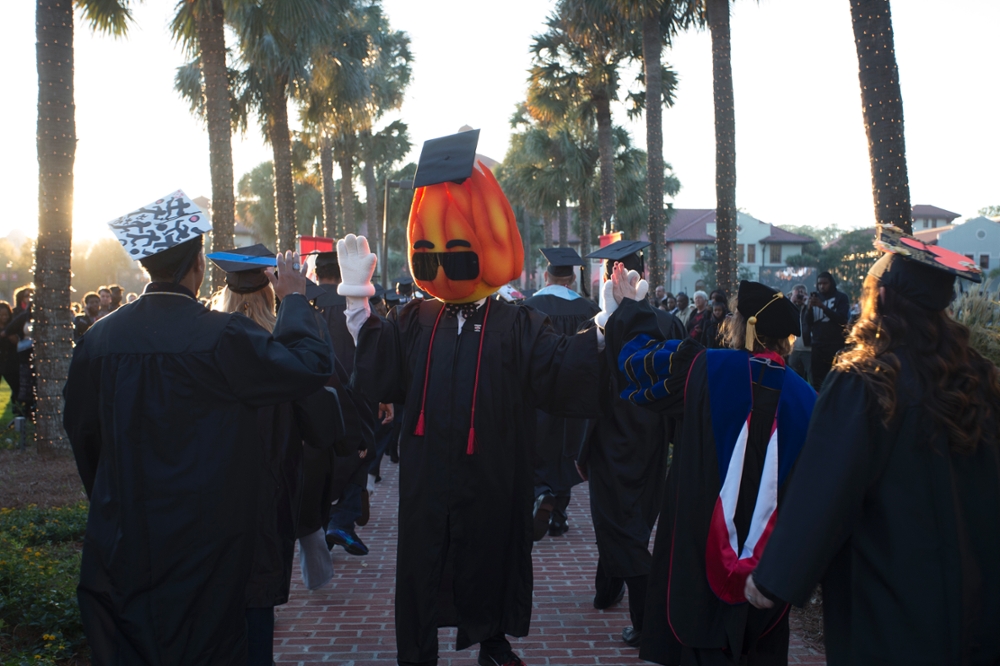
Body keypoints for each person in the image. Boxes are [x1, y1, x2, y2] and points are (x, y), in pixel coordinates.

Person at [337, 130, 602, 666]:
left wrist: (605, 329)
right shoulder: (415, 319)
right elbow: (379, 370)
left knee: (490, 554)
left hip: (494, 474)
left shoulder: (518, 322)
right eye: (430, 258)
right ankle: (419, 650)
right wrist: (357, 300)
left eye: (456, 259)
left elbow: (559, 368)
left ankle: (492, 640)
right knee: (422, 560)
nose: (441, 271)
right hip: (428, 474)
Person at [64, 191, 335, 665]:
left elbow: (85, 438)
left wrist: (115, 501)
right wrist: (294, 300)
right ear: (199, 266)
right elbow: (308, 368)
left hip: (127, 540)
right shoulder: (223, 336)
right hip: (210, 543)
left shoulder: (98, 340)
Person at [746, 227, 1000, 665]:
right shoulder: (977, 379)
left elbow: (824, 489)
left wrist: (774, 577)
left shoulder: (868, 382)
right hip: (977, 596)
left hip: (893, 596)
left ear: (880, 299)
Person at [605, 269, 817, 666]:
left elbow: (638, 363)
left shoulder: (704, 369)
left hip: (696, 546)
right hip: (767, 570)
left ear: (742, 327)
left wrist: (632, 309)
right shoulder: (810, 402)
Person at [207, 244, 344, 666]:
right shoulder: (283, 348)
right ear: (272, 296)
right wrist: (296, 301)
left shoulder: (204, 342)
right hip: (268, 491)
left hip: (208, 491)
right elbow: (321, 415)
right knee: (257, 601)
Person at [580, 240, 686, 649]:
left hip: (614, 437)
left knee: (616, 524)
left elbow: (594, 380)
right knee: (633, 519)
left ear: (612, 278)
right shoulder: (670, 323)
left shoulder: (606, 323)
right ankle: (607, 589)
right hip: (655, 437)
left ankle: (646, 620)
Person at [523, 247, 600, 540]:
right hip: (575, 392)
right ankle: (559, 515)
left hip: (539, 391)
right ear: (571, 278)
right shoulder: (589, 309)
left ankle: (541, 493)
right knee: (567, 452)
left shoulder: (528, 307)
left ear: (546, 275)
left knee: (538, 447)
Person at [310, 249, 376, 557]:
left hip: (313, 391)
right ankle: (341, 520)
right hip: (354, 390)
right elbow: (370, 348)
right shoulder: (354, 302)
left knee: (321, 459)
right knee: (358, 452)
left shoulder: (302, 303)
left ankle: (327, 523)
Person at [805, 270, 849, 389]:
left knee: (835, 378)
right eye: (819, 284)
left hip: (835, 344)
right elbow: (808, 322)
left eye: (825, 283)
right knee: (817, 380)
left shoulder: (841, 297)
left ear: (831, 283)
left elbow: (842, 319)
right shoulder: (815, 297)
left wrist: (823, 307)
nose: (822, 286)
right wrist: (809, 309)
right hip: (818, 344)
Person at [786, 284, 811, 382]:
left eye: (802, 294)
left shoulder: (810, 305)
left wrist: (807, 303)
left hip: (808, 349)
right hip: (793, 348)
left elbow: (811, 318)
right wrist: (792, 301)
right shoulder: (789, 306)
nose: (799, 297)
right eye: (797, 294)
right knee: (794, 377)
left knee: (811, 377)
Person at [0, 302, 17, 399]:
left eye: (6, 314)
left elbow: (16, 342)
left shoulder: (12, 327)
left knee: (15, 387)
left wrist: (8, 334)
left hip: (11, 363)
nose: (4, 317)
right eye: (1, 315)